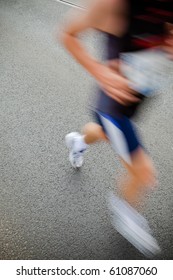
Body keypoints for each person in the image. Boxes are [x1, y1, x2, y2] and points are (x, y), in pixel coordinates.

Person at [60, 0, 173, 258]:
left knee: (100, 132)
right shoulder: (112, 4)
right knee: (143, 173)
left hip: (138, 98)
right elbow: (67, 33)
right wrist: (99, 71)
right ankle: (125, 212)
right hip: (113, 106)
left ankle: (78, 141)